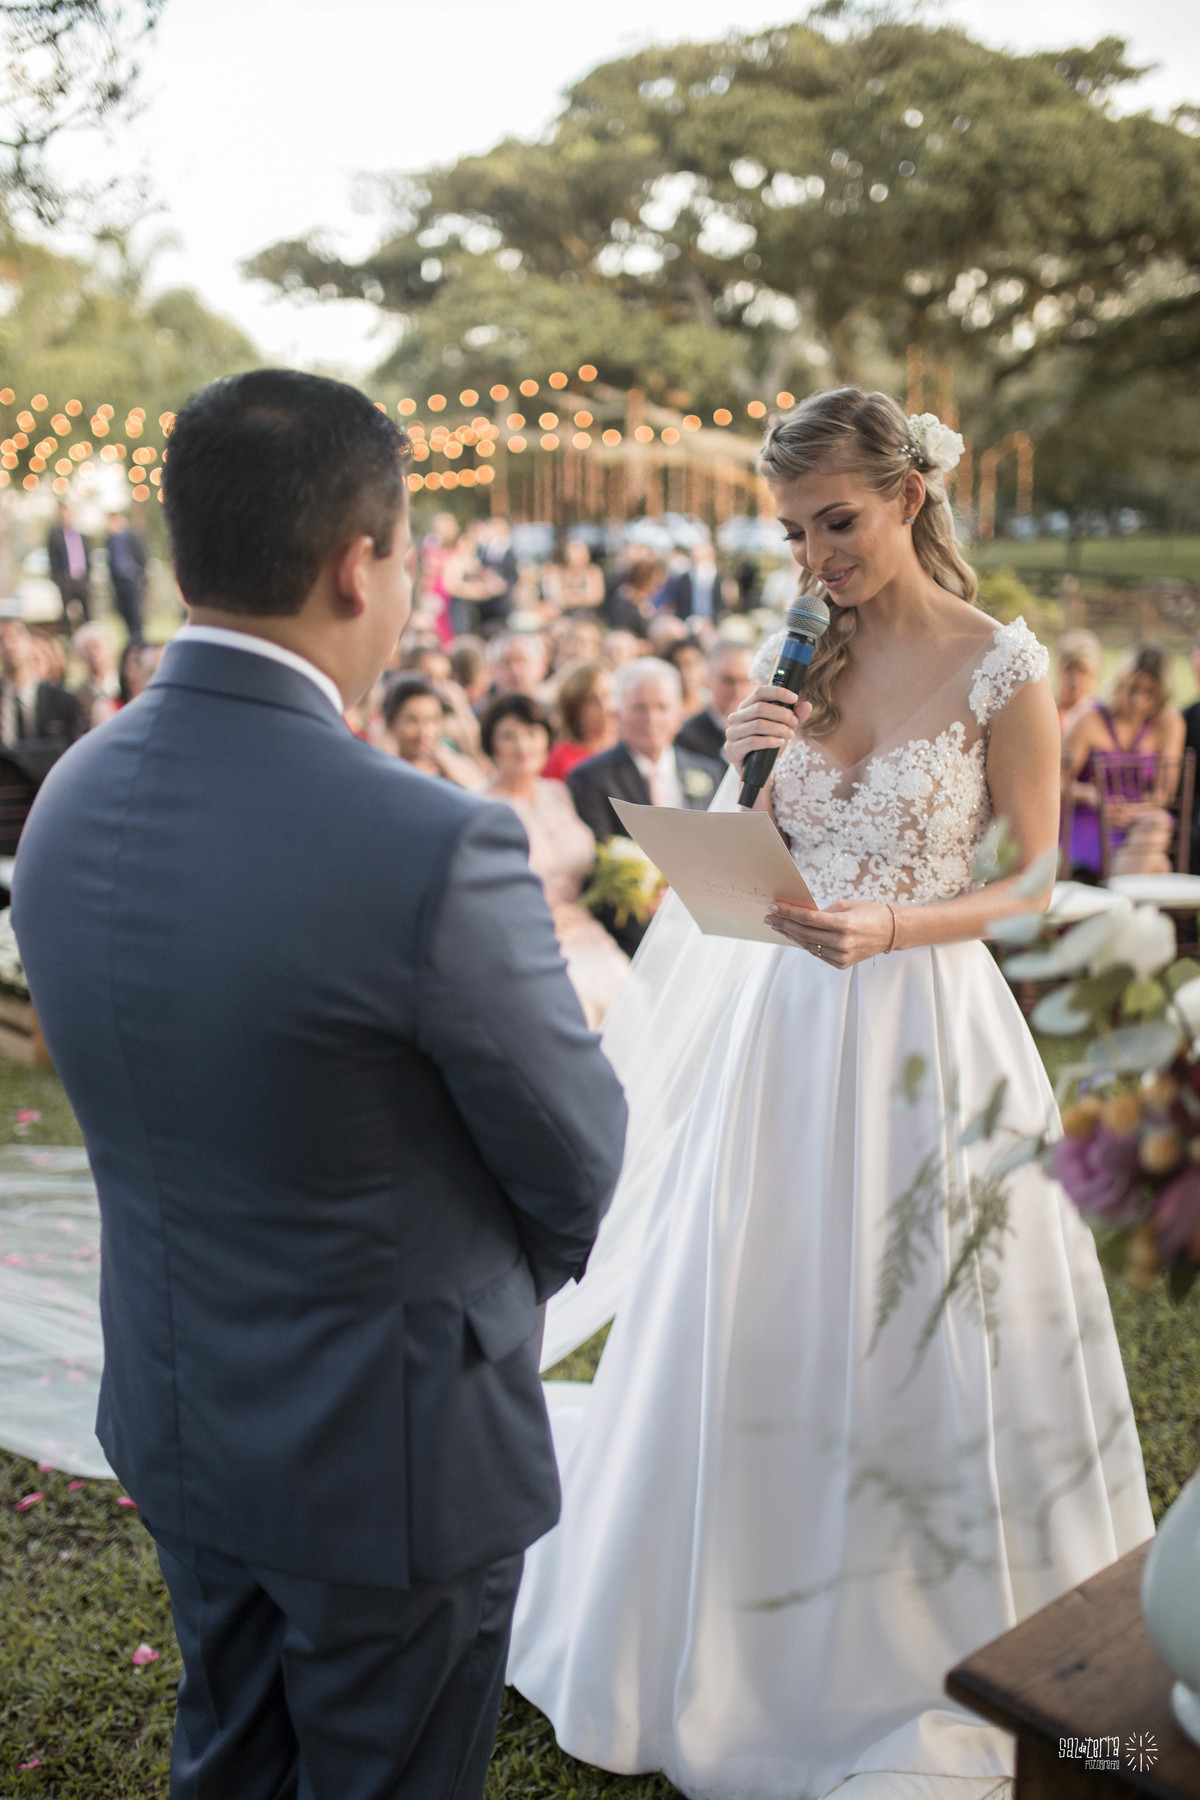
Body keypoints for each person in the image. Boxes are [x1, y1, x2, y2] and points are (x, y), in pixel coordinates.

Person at [508, 387, 1151, 1799]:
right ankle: (731, 1615)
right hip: (785, 1030)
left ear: (911, 496)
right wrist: (744, 769)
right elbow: (750, 855)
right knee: (761, 1301)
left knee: (921, 1323)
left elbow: (1041, 876)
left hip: (927, 1026)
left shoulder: (1004, 663)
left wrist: (897, 925)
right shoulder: (797, 651)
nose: (815, 557)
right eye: (795, 531)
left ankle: (916, 1634)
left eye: (837, 523)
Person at [12, 368, 626, 1800]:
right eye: (408, 556)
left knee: (230, 1759)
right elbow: (578, 1152)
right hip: (394, 1453)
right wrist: (482, 1291)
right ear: (361, 566)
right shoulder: (427, 843)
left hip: (177, 1403)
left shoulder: (73, 795)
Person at [481, 693, 628, 1029]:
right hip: (525, 938)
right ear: (491, 744)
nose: (522, 745)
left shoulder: (558, 793)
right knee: (579, 1005)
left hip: (584, 930)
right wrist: (541, 915)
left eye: (532, 733)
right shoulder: (481, 807)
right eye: (508, 735)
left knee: (629, 995)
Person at [567, 659, 722, 954]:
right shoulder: (590, 778)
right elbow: (597, 864)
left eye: (662, 707)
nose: (651, 719)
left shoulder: (709, 773)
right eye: (639, 708)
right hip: (632, 932)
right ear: (618, 713)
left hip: (706, 927)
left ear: (679, 714)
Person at [1062, 642, 1184, 879]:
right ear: (1120, 681)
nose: (1138, 701)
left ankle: (1117, 894)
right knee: (1160, 867)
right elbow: (1054, 781)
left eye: (1150, 694)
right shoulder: (1089, 719)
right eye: (1133, 689)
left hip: (1139, 824)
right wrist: (1092, 796)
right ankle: (1122, 898)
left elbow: (1163, 794)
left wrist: (1134, 811)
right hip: (1089, 821)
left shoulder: (1168, 724)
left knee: (1158, 822)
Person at [381, 674, 486, 789]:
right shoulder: (386, 769)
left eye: (432, 720)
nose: (424, 731)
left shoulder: (455, 764)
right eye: (412, 721)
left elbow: (480, 789)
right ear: (391, 723)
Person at [0, 618, 80, 751]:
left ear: (31, 642)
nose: (9, 645)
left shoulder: (62, 700)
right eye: (2, 639)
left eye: (16, 636)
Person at [675, 638, 756, 765]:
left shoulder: (764, 731)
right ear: (709, 680)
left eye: (745, 681)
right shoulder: (688, 735)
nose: (737, 691)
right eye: (728, 681)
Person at [544, 660, 617, 782]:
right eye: (592, 700)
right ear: (575, 707)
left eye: (608, 695)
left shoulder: (629, 746)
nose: (605, 706)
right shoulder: (559, 758)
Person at [47, 502, 92, 628]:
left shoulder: (81, 535)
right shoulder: (55, 535)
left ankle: (87, 633)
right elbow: (53, 558)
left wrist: (87, 577)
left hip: (81, 578)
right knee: (65, 613)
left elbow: (87, 555)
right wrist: (58, 578)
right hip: (65, 579)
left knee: (87, 611)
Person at [106, 511, 148, 643]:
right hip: (119, 581)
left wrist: (140, 575)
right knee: (124, 612)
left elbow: (142, 557)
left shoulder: (132, 536)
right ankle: (131, 640)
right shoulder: (110, 540)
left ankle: (139, 640)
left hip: (132, 579)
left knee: (135, 612)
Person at [71, 622, 121, 730]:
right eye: (86, 649)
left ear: (111, 649)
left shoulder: (126, 684)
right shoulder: (77, 696)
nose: (93, 653)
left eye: (96, 646)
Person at [544, 538, 605, 617]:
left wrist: (569, 598)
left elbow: (596, 598)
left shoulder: (593, 572)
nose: (575, 558)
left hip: (588, 616)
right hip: (564, 616)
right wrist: (582, 597)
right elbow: (555, 599)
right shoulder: (558, 572)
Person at [487, 630, 549, 700]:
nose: (515, 670)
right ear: (493, 669)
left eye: (522, 660)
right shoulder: (482, 709)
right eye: (507, 662)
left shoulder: (556, 708)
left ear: (542, 666)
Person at [663, 635, 708, 717]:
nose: (686, 672)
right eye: (678, 666)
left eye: (692, 664)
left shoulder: (712, 704)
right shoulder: (664, 710)